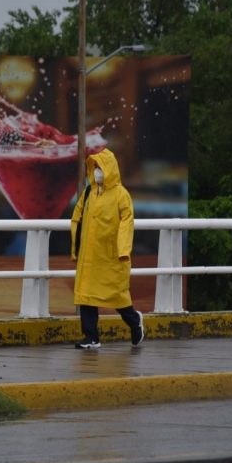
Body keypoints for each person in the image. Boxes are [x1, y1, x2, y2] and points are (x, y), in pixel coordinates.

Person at [70, 148, 145, 349]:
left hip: (111, 257)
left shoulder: (121, 195)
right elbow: (77, 219)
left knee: (117, 295)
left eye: (100, 168)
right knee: (86, 295)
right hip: (89, 256)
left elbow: (126, 223)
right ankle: (91, 337)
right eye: (95, 168)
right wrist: (75, 250)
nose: (97, 172)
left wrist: (123, 250)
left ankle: (134, 321)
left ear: (110, 169)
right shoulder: (88, 193)